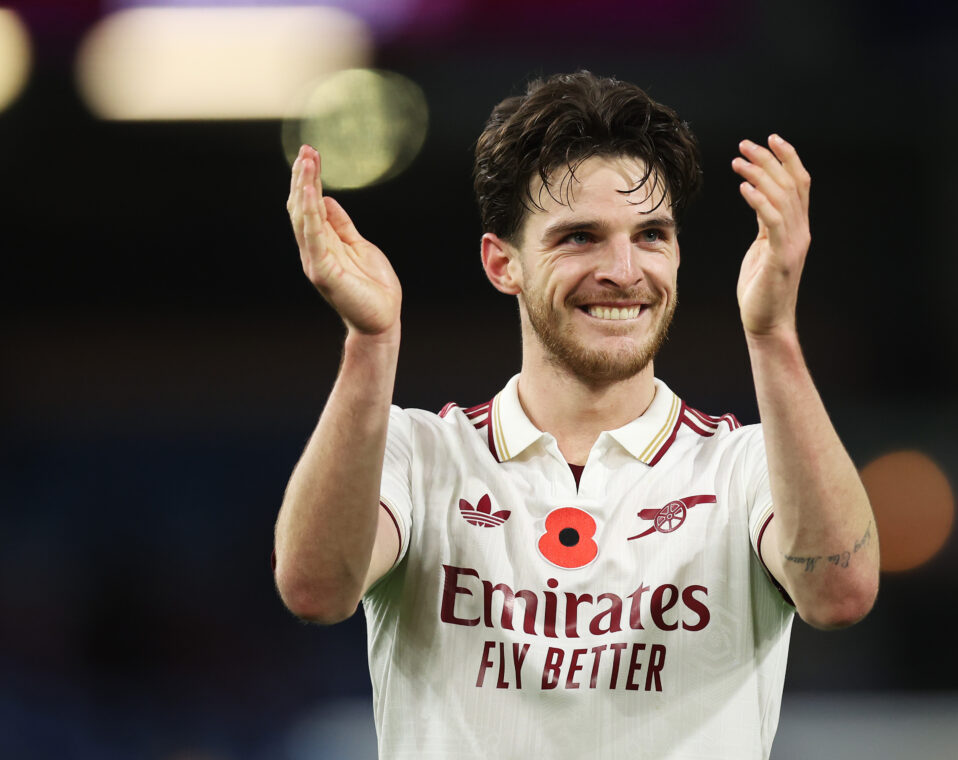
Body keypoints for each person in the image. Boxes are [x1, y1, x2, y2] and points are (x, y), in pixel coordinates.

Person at [274, 71, 878, 759]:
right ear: (504, 264)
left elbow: (839, 594)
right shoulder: (418, 453)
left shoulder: (747, 468)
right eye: (579, 238)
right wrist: (371, 343)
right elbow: (315, 589)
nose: (623, 270)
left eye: (651, 234)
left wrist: (773, 337)